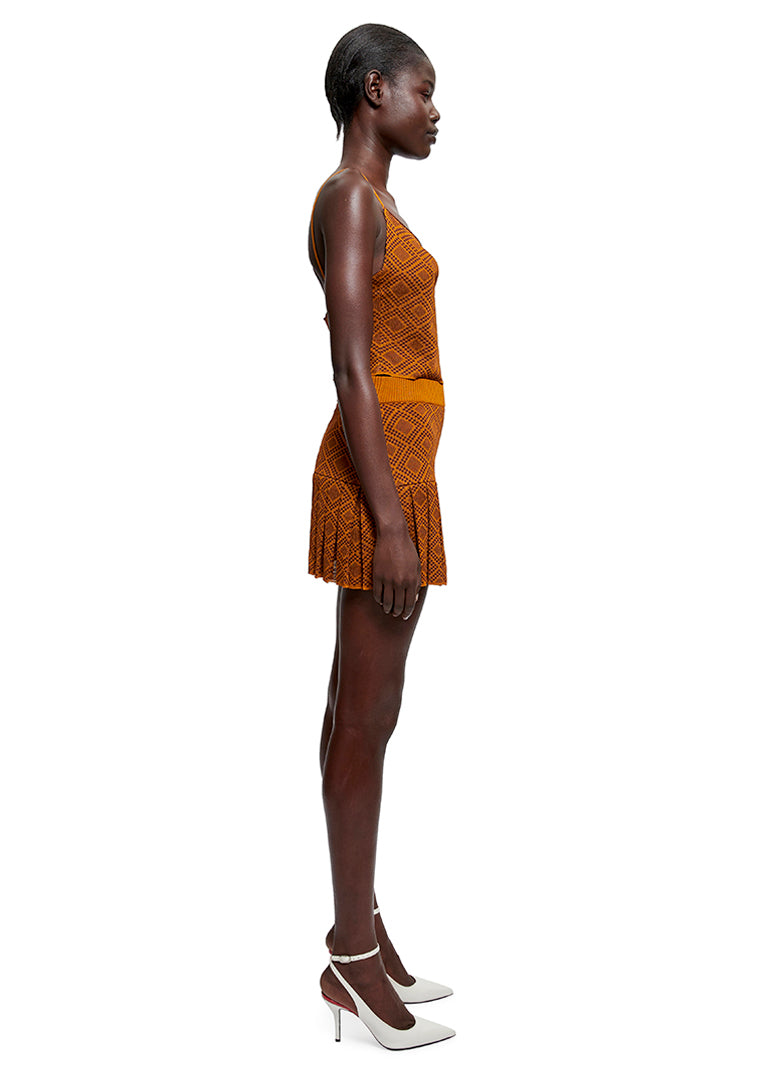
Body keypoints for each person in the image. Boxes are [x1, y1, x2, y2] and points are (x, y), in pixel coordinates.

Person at [307, 24, 455, 1051]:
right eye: (423, 91)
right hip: (378, 484)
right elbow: (352, 365)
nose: (435, 112)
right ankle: (351, 959)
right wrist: (391, 519)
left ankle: (361, 930)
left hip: (399, 472)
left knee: (358, 710)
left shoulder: (378, 202)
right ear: (373, 91)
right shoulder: (352, 200)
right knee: (366, 715)